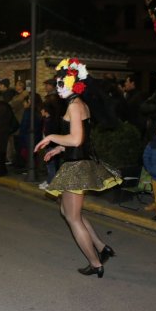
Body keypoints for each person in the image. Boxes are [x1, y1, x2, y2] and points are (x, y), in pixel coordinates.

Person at [35, 58, 122, 278]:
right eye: (57, 83)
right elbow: (79, 141)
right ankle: (102, 248)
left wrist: (52, 137)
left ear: (75, 84)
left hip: (76, 168)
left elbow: (75, 139)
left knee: (73, 218)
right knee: (68, 212)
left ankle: (95, 263)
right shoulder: (79, 104)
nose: (58, 87)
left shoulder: (74, 106)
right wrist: (58, 149)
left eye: (62, 83)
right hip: (75, 161)